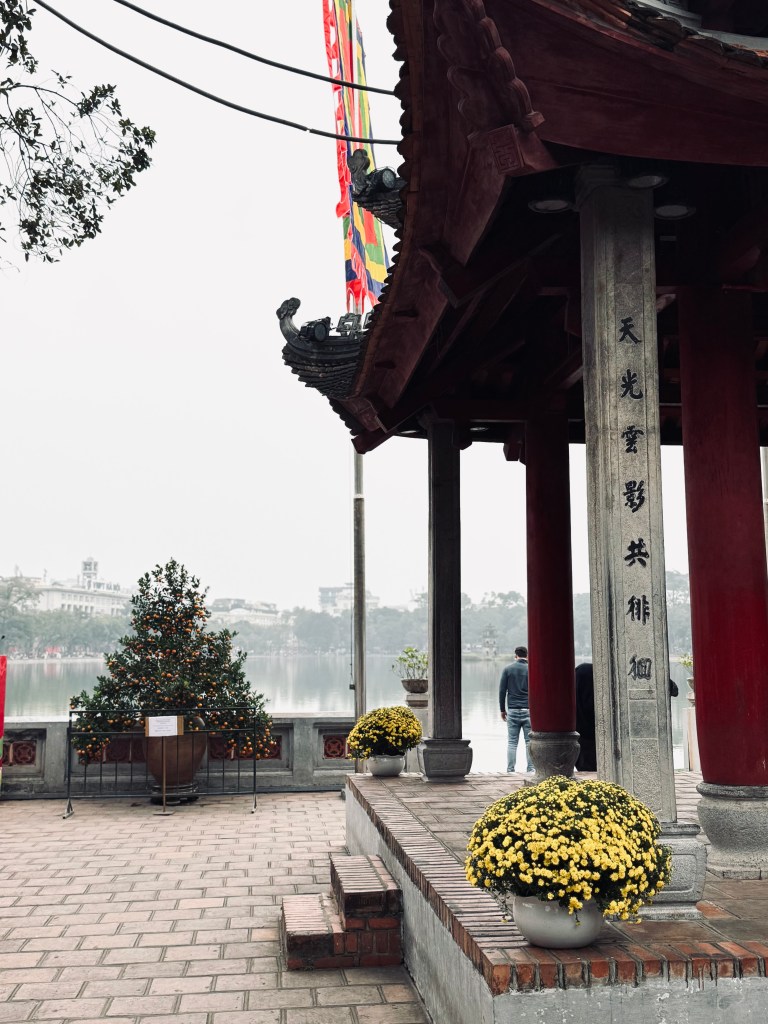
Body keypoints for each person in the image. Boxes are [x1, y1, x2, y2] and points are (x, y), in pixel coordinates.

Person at [574, 662, 679, 772]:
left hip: (583, 739)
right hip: (606, 739)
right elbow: (673, 690)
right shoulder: (622, 675)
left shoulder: (583, 673)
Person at [499, 646, 533, 773]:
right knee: (529, 742)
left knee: (512, 742)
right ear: (527, 656)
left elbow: (502, 691)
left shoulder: (508, 669)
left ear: (515, 655)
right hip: (528, 710)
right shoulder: (531, 669)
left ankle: (510, 770)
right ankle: (530, 770)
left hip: (512, 710)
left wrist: (502, 710)